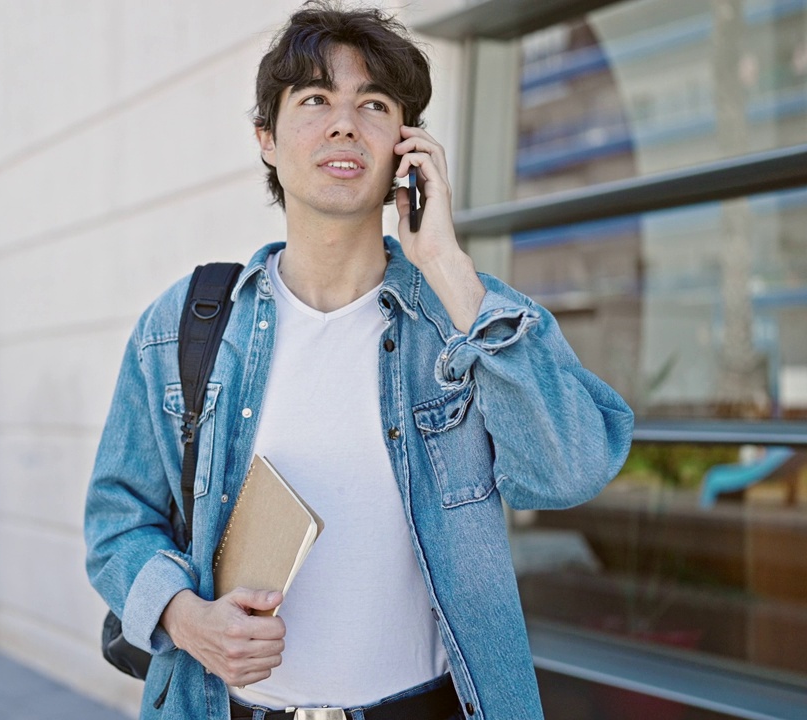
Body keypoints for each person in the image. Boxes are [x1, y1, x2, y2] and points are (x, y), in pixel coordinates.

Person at [84, 3, 634, 719]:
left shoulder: (468, 317)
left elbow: (572, 469)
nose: (344, 123)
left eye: (373, 104)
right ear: (267, 139)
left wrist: (444, 261)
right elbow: (116, 520)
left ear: (408, 146)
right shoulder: (185, 326)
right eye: (314, 100)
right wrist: (187, 619)